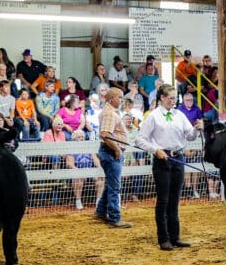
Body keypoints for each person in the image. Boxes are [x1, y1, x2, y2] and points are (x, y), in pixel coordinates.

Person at [136, 84, 203, 250]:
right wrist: (155, 149)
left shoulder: (179, 114)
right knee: (163, 200)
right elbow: (140, 139)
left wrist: (196, 129)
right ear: (163, 98)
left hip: (177, 158)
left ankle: (175, 237)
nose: (174, 101)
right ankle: (163, 238)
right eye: (171, 98)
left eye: (175, 98)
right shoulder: (153, 116)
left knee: (174, 200)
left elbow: (189, 135)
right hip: (162, 159)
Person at [95, 88, 132, 228]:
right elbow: (105, 134)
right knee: (114, 186)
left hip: (109, 151)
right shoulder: (110, 113)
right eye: (120, 97)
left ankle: (101, 211)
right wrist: (117, 148)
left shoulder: (110, 112)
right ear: (112, 98)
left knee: (111, 184)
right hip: (111, 152)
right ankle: (114, 217)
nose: (122, 100)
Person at [67, 129, 104, 211]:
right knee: (78, 178)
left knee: (100, 178)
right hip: (77, 171)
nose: (82, 138)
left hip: (90, 170)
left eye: (83, 137)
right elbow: (70, 164)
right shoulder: (71, 148)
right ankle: (78, 201)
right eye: (79, 137)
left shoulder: (89, 147)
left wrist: (100, 168)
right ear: (74, 139)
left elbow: (96, 160)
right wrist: (80, 172)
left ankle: (99, 201)